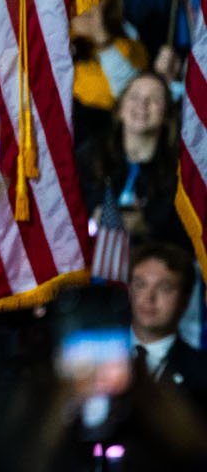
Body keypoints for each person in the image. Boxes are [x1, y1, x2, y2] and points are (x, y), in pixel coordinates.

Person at [78, 72, 184, 249]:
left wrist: (146, 228)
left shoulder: (178, 170)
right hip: (88, 254)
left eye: (155, 99)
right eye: (134, 96)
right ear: (120, 109)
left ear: (166, 115)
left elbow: (185, 237)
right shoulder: (91, 154)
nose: (143, 104)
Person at [127, 243, 207, 412]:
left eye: (164, 288)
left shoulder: (202, 373)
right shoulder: (94, 356)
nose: (149, 297)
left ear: (185, 300)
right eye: (140, 285)